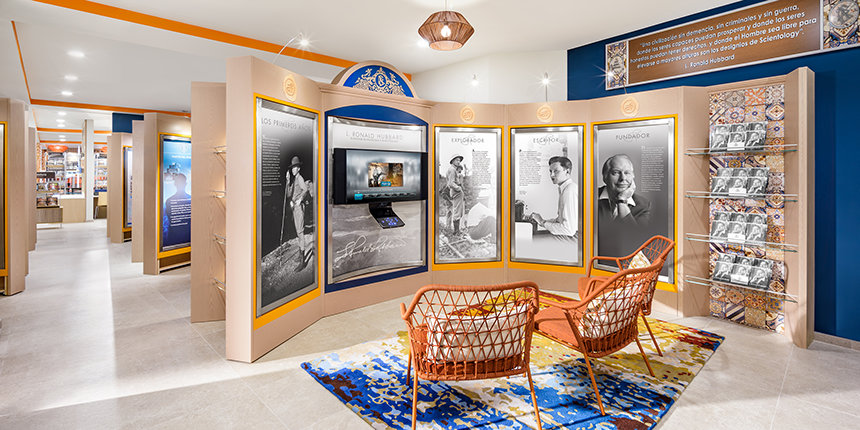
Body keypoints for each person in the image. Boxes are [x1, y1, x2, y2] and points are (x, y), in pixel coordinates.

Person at [597, 154, 651, 257]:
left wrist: (621, 201)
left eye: (627, 173)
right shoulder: (588, 198)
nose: (623, 178)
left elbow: (637, 242)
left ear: (633, 177)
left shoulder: (643, 204)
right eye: (616, 173)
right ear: (605, 177)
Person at [530, 156, 578, 243]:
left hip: (575, 238)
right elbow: (561, 221)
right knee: (533, 235)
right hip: (572, 235)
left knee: (532, 239)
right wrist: (542, 221)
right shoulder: (566, 188)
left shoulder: (569, 190)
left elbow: (568, 230)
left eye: (556, 171)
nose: (551, 175)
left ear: (567, 171)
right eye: (550, 171)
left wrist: (542, 222)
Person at [284, 155, 309, 270]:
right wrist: (288, 180)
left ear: (298, 168)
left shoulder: (300, 178)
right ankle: (300, 255)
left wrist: (300, 199)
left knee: (300, 232)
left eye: (295, 167)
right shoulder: (294, 179)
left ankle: (303, 262)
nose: (293, 169)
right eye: (292, 168)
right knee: (298, 232)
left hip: (299, 208)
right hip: (295, 207)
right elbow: (289, 194)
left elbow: (305, 189)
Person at [164, 172, 191, 249]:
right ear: (186, 184)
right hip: (187, 237)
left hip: (173, 239)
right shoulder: (191, 199)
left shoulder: (169, 201)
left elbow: (169, 220)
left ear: (175, 184)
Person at [446, 154, 466, 236]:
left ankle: (457, 230)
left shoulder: (452, 169)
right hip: (456, 191)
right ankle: (456, 231)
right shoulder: (452, 170)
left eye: (459, 160)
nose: (458, 162)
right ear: (453, 161)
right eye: (457, 160)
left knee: (458, 210)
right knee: (457, 210)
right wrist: (458, 188)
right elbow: (451, 183)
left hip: (455, 191)